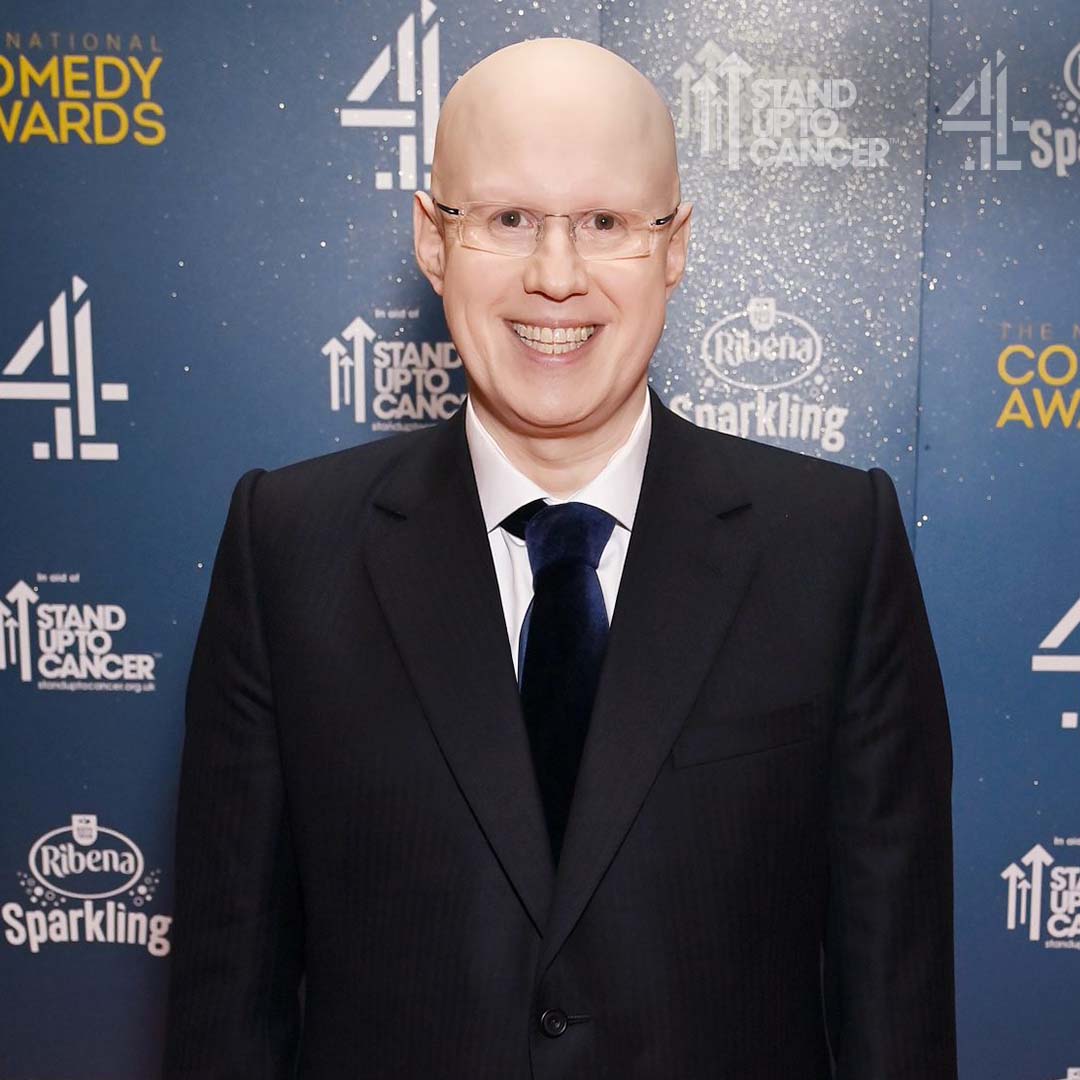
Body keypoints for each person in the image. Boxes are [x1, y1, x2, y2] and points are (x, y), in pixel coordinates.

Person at [164, 37, 957, 1079]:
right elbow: (228, 1004)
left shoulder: (835, 546)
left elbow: (895, 1001)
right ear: (433, 240)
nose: (555, 277)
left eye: (605, 223)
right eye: (507, 219)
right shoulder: (287, 546)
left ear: (675, 246)